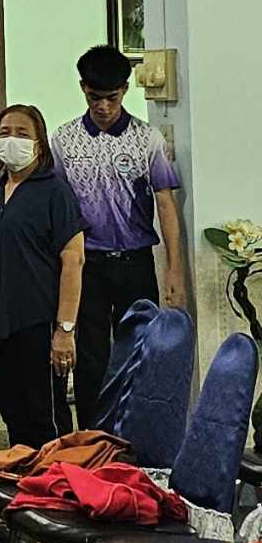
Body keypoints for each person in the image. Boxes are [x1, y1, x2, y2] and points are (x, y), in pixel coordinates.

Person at [50, 44, 188, 427]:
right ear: (83, 88)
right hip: (87, 266)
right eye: (95, 97)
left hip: (134, 262)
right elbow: (58, 206)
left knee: (141, 350)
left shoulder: (147, 139)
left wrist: (175, 270)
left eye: (112, 97)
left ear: (125, 90)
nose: (103, 106)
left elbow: (165, 205)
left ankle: (139, 434)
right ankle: (94, 436)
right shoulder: (64, 140)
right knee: (91, 358)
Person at [0, 105, 86, 447]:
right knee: (14, 416)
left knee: (46, 420)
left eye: (22, 134)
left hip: (39, 323)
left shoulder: (55, 192)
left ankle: (57, 479)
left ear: (39, 144)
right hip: (0, 325)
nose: (12, 140)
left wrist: (64, 330)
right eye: (5, 132)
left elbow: (74, 261)